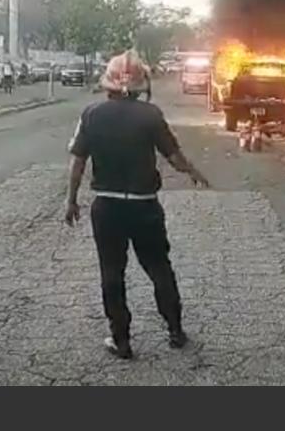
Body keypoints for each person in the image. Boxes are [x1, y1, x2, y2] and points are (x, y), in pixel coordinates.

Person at [64, 49, 210, 359]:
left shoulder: (91, 114)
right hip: (145, 207)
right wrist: (195, 172)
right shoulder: (151, 115)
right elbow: (174, 158)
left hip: (107, 207)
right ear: (141, 85)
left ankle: (121, 340)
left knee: (112, 272)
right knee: (159, 267)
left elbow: (77, 162)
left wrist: (71, 201)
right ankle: (175, 330)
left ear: (109, 85)